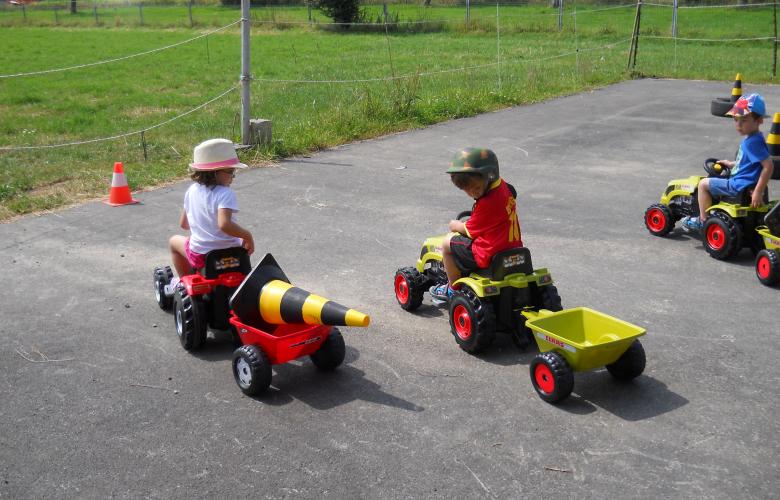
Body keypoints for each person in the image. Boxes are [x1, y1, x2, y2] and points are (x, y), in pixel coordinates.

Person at [430, 148, 523, 302]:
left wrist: (455, 225)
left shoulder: (487, 203)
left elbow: (468, 230)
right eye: (467, 191)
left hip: (489, 253)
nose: (473, 194)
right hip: (512, 246)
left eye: (476, 188)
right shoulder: (505, 187)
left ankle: (452, 288)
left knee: (447, 243)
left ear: (489, 176)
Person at [165, 138, 255, 294]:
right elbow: (224, 225)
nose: (233, 176)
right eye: (230, 172)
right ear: (215, 172)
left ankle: (185, 281)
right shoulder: (225, 194)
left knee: (174, 242)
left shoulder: (191, 191)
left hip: (202, 254)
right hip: (233, 251)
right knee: (242, 242)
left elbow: (184, 225)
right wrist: (248, 236)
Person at [683, 93, 774, 232]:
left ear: (759, 120)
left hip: (737, 185)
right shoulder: (756, 138)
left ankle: (702, 220)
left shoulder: (751, 143)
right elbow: (749, 164)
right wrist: (731, 164)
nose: (738, 125)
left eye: (744, 120)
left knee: (702, 185)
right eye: (736, 119)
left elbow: (768, 166)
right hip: (743, 182)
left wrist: (758, 191)